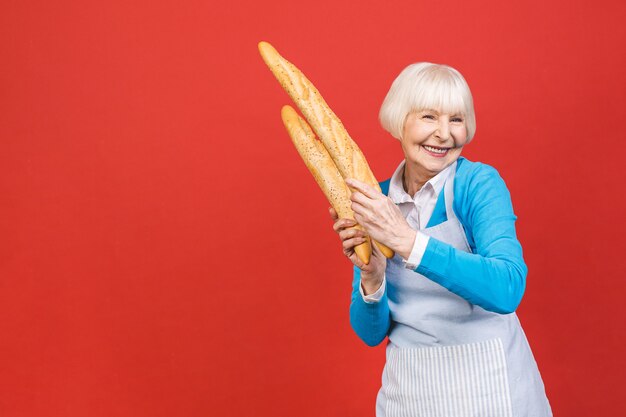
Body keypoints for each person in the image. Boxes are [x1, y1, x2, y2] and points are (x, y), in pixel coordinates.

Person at [329, 63, 552, 417]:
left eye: (457, 119)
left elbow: (507, 288)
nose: (445, 134)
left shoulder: (477, 183)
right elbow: (371, 334)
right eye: (429, 117)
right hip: (411, 396)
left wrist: (408, 242)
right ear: (399, 121)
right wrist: (372, 278)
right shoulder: (377, 199)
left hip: (490, 392)